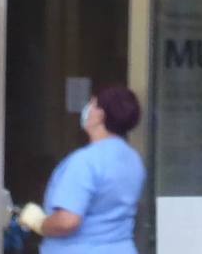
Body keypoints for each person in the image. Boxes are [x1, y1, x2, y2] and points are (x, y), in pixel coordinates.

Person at [17, 85, 146, 253]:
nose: (87, 109)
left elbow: (67, 221)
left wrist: (40, 223)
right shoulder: (133, 160)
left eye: (91, 104)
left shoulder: (85, 161)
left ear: (100, 115)